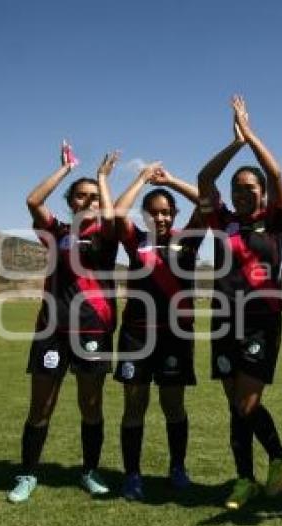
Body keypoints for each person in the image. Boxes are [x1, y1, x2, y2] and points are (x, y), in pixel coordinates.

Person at [7, 143, 118, 503]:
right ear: (71, 201)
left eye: (93, 198)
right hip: (52, 332)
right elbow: (33, 202)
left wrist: (103, 183)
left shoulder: (107, 234)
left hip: (93, 330)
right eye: (80, 197)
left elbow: (112, 216)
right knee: (41, 406)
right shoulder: (56, 231)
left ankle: (89, 471)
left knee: (91, 405)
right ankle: (27, 474)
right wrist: (67, 170)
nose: (88, 202)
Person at [198, 95, 282, 509]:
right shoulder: (222, 220)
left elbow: (276, 171)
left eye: (249, 187)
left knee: (247, 402)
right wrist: (233, 145)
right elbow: (204, 178)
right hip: (222, 320)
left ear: (262, 193)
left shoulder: (275, 220)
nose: (242, 193)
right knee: (235, 408)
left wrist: (249, 135)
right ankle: (244, 480)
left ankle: (278, 456)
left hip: (262, 321)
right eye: (237, 188)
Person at [112, 161, 203, 501]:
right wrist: (140, 178)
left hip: (175, 338)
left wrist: (172, 180)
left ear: (175, 214)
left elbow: (207, 202)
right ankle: (132, 474)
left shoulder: (189, 240)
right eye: (153, 213)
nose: (160, 218)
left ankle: (178, 467)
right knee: (134, 406)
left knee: (173, 405)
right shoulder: (135, 240)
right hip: (136, 335)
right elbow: (118, 213)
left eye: (166, 213)